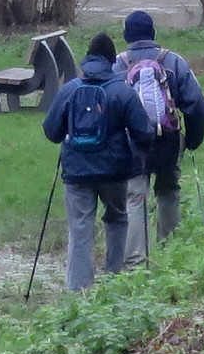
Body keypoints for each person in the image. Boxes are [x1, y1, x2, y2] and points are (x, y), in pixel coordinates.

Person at [42, 32, 154, 292]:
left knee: (80, 227)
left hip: (76, 173)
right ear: (112, 61)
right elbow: (144, 133)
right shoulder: (122, 91)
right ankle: (113, 279)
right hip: (114, 172)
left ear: (88, 59)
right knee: (117, 218)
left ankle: (79, 290)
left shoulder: (70, 89)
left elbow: (51, 131)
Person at [113, 10, 204, 266]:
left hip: (133, 143)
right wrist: (192, 140)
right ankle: (170, 254)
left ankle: (135, 262)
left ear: (126, 36)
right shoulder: (173, 61)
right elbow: (198, 106)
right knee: (168, 191)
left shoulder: (118, 65)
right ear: (153, 33)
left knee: (135, 196)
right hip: (168, 140)